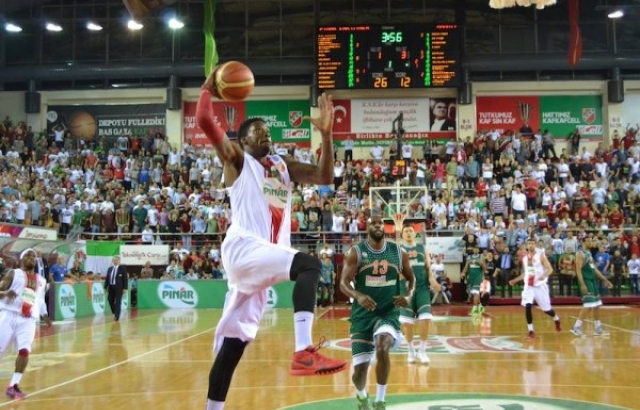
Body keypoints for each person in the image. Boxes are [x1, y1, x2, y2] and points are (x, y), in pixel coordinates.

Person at [195, 72, 347, 410]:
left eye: (269, 132)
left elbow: (324, 178)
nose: (267, 136)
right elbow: (204, 119)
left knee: (234, 343)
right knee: (310, 264)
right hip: (244, 248)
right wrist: (208, 88)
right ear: (243, 141)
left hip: (264, 257)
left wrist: (327, 133)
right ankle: (304, 351)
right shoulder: (237, 161)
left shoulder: (282, 165)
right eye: (259, 132)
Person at [340, 212, 415, 410]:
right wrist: (358, 296)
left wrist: (407, 296)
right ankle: (362, 395)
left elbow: (411, 279)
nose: (377, 226)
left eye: (380, 223)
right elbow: (343, 283)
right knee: (359, 373)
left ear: (384, 226)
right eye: (373, 223)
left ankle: (380, 400)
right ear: (367, 227)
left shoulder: (397, 252)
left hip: (387, 314)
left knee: (382, 346)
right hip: (362, 316)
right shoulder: (356, 252)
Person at [0, 248, 52, 399]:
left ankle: (13, 385)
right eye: (28, 255)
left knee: (24, 350)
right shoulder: (13, 273)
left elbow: (40, 300)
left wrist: (45, 314)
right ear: (21, 259)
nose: (31, 258)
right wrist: (5, 293)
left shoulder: (41, 281)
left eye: (33, 256)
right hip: (8, 315)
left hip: (28, 319)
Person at [398, 225, 440, 365]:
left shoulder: (422, 248)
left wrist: (432, 279)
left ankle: (422, 351)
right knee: (407, 324)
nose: (409, 233)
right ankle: (411, 351)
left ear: (414, 234)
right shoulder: (398, 251)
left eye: (411, 231)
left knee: (426, 319)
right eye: (406, 231)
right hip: (406, 290)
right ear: (402, 235)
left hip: (422, 288)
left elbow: (428, 268)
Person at [509, 239, 561, 338]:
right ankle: (531, 330)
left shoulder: (540, 256)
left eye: (532, 243)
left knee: (546, 309)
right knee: (528, 306)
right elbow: (526, 273)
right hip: (529, 286)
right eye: (529, 243)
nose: (531, 245)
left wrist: (544, 275)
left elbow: (550, 269)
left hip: (540, 285)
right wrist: (515, 280)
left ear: (535, 245)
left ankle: (556, 319)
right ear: (527, 246)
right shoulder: (525, 258)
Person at [570, 248, 613, 337]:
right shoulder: (580, 253)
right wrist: (582, 284)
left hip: (593, 281)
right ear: (585, 241)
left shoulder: (589, 253)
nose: (593, 242)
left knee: (597, 305)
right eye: (591, 240)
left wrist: (605, 280)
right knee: (588, 305)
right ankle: (576, 327)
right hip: (586, 281)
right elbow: (578, 270)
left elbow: (595, 270)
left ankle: (598, 329)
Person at [460, 246, 486, 316]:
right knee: (475, 293)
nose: (475, 250)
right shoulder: (469, 257)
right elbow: (466, 266)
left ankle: (474, 310)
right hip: (471, 276)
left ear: (478, 250)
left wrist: (481, 264)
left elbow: (485, 268)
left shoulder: (481, 256)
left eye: (476, 249)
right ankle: (480, 307)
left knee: (475, 292)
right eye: (474, 249)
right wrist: (463, 272)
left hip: (478, 276)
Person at [104, 256, 128, 322]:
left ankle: (117, 316)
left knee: (118, 302)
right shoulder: (110, 269)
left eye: (117, 260)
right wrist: (105, 287)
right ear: (112, 261)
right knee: (109, 299)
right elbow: (107, 278)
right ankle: (115, 311)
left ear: (119, 261)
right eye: (114, 260)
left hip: (119, 288)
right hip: (111, 287)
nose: (115, 261)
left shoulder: (122, 268)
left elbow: (125, 279)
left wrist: (125, 288)